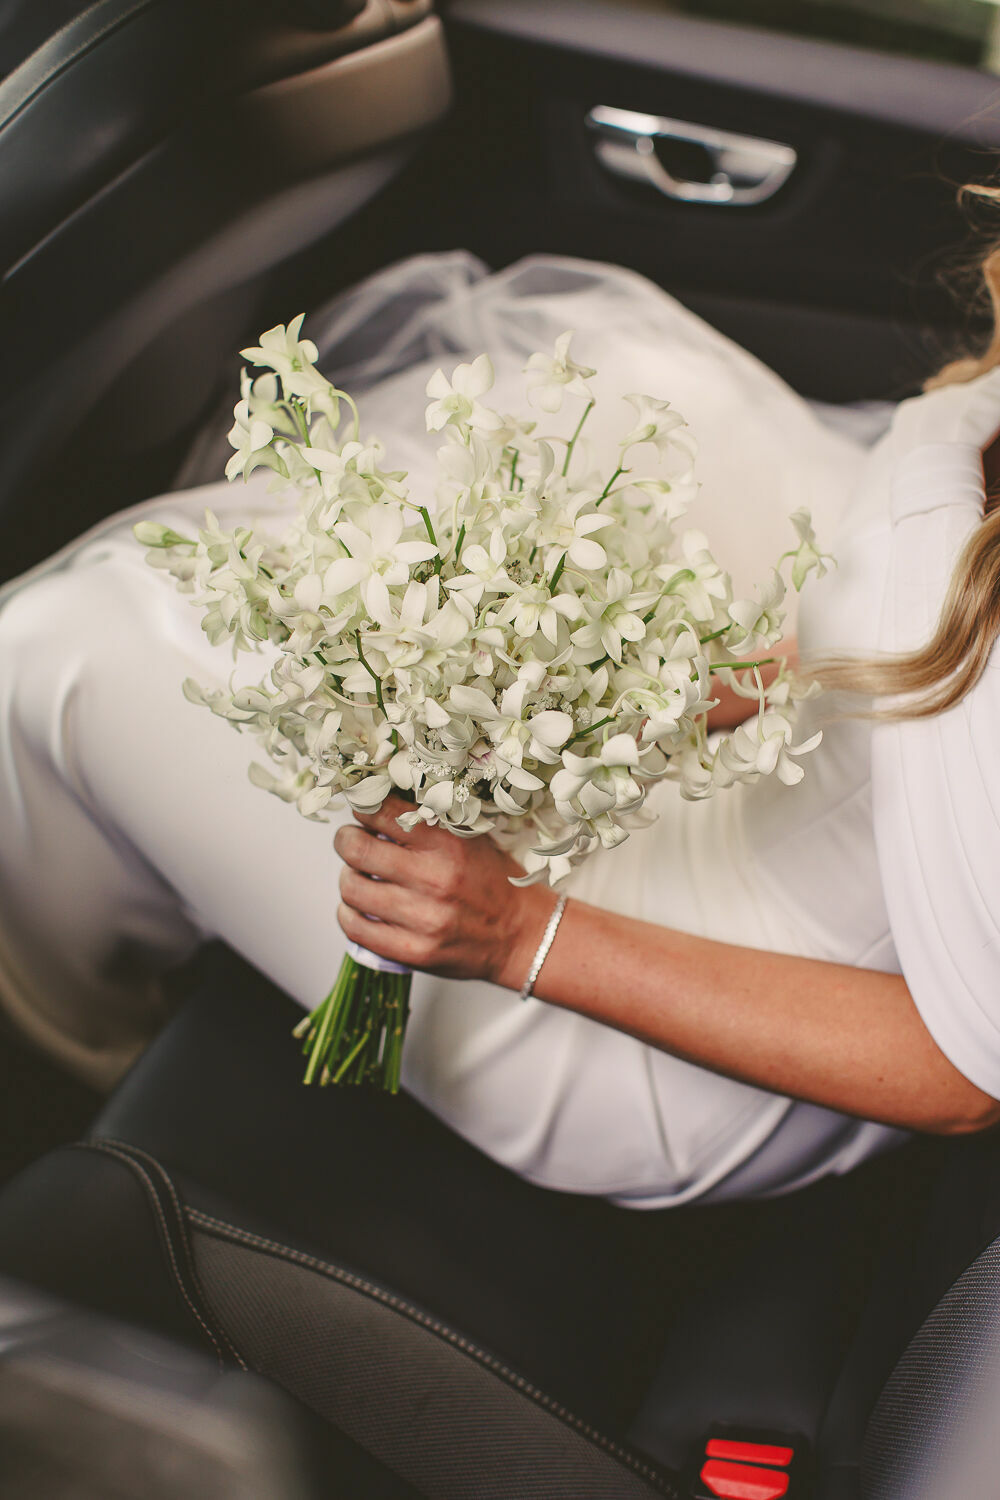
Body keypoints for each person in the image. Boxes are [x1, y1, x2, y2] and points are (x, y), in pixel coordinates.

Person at [0, 247, 998, 1211]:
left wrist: (516, 933)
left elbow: (961, 1078)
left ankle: (81, 1051)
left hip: (707, 1011)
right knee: (603, 400)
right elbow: (895, 640)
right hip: (757, 766)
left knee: (62, 655)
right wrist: (624, 701)